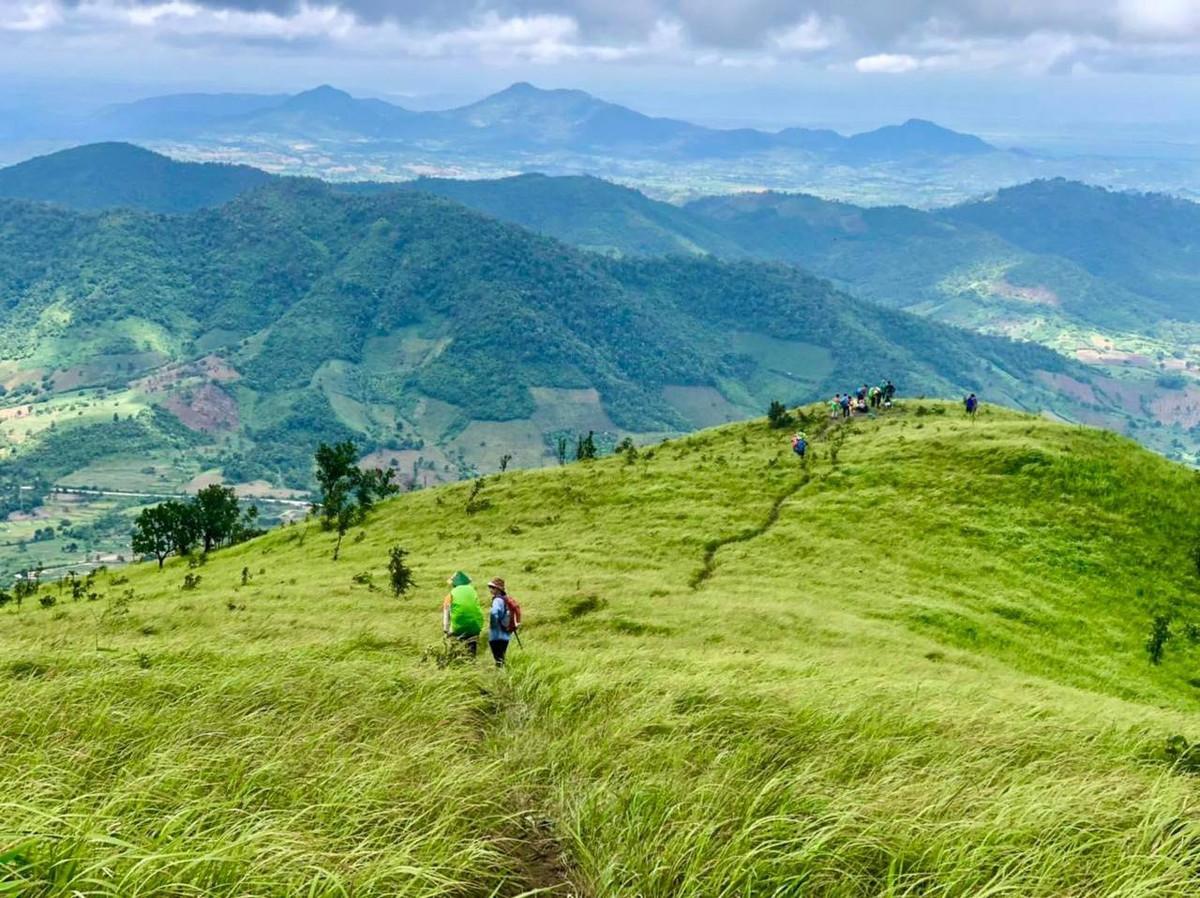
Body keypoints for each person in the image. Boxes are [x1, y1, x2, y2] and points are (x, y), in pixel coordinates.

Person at [442, 571, 483, 658]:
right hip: (474, 627)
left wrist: (446, 631)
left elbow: (446, 615)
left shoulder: (450, 595)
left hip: (457, 629)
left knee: (457, 653)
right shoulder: (473, 592)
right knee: (472, 653)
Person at [486, 577, 514, 667]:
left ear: (498, 589)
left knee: (498, 659)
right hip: (506, 634)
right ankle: (503, 674)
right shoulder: (505, 599)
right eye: (490, 587)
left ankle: (500, 676)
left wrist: (492, 625)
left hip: (496, 635)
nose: (490, 589)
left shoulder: (497, 600)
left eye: (492, 587)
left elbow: (494, 612)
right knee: (502, 657)